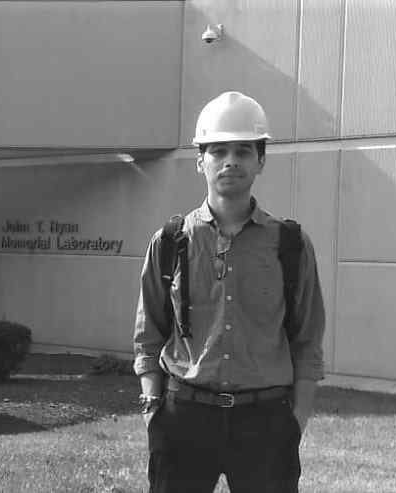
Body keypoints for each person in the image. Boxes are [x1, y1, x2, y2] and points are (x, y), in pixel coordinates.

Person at [133, 91, 325, 492]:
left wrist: (296, 420)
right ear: (200, 160)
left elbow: (307, 342)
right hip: (184, 417)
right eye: (218, 150)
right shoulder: (170, 241)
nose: (230, 161)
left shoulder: (290, 244)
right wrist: (154, 409)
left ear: (261, 160)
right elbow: (147, 337)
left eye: (243, 150)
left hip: (267, 423)